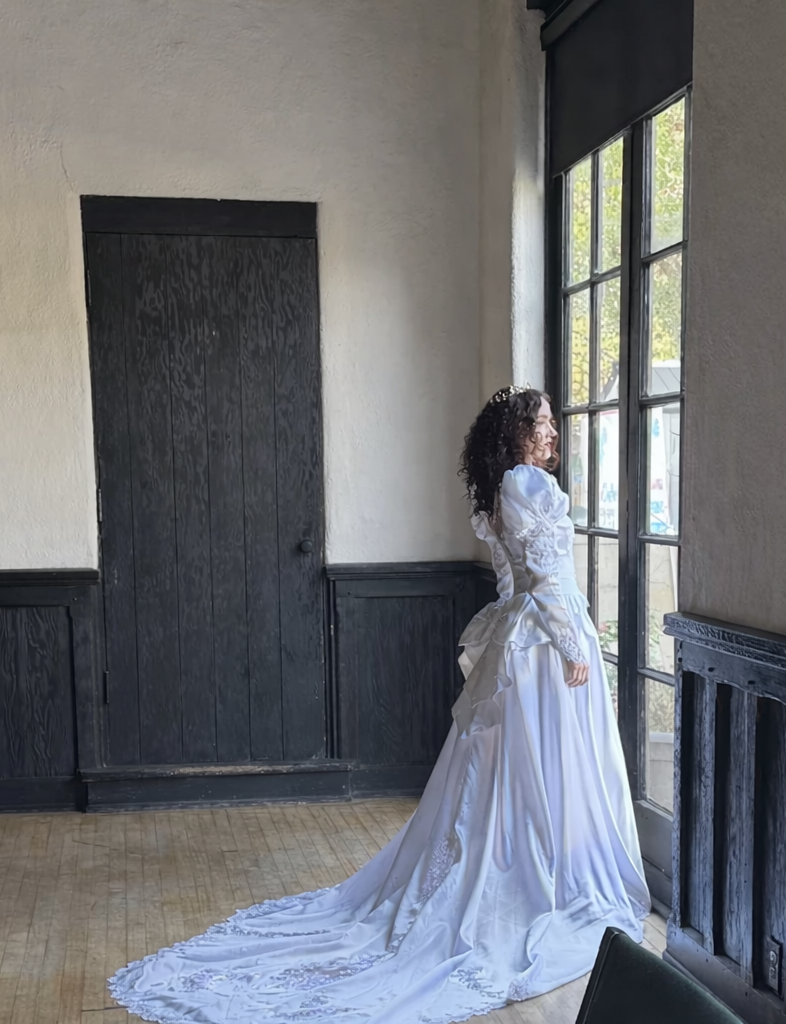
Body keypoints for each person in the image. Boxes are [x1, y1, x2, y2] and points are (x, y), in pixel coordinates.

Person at [108, 386, 650, 1024]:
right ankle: (536, 888)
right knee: (533, 777)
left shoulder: (504, 486)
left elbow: (518, 576)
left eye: (554, 423)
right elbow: (545, 574)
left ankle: (533, 878)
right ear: (516, 434)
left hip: (523, 642)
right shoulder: (527, 484)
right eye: (542, 423)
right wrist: (570, 643)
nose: (553, 433)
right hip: (542, 647)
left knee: (516, 781)